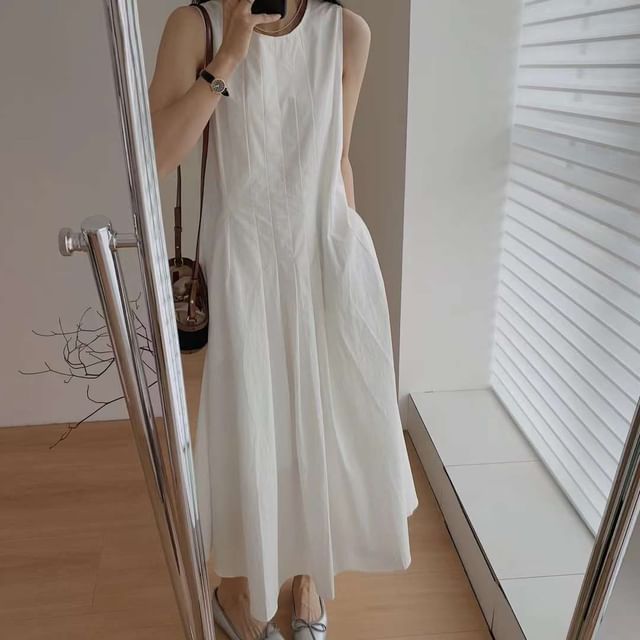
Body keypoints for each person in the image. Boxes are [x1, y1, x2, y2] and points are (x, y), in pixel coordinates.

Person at [149, 0, 418, 638]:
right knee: (254, 425)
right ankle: (239, 589)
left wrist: (349, 271)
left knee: (322, 426)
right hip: (245, 260)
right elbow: (155, 153)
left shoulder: (346, 32)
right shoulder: (198, 26)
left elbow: (338, 156)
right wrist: (230, 55)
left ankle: (305, 579)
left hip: (324, 252)